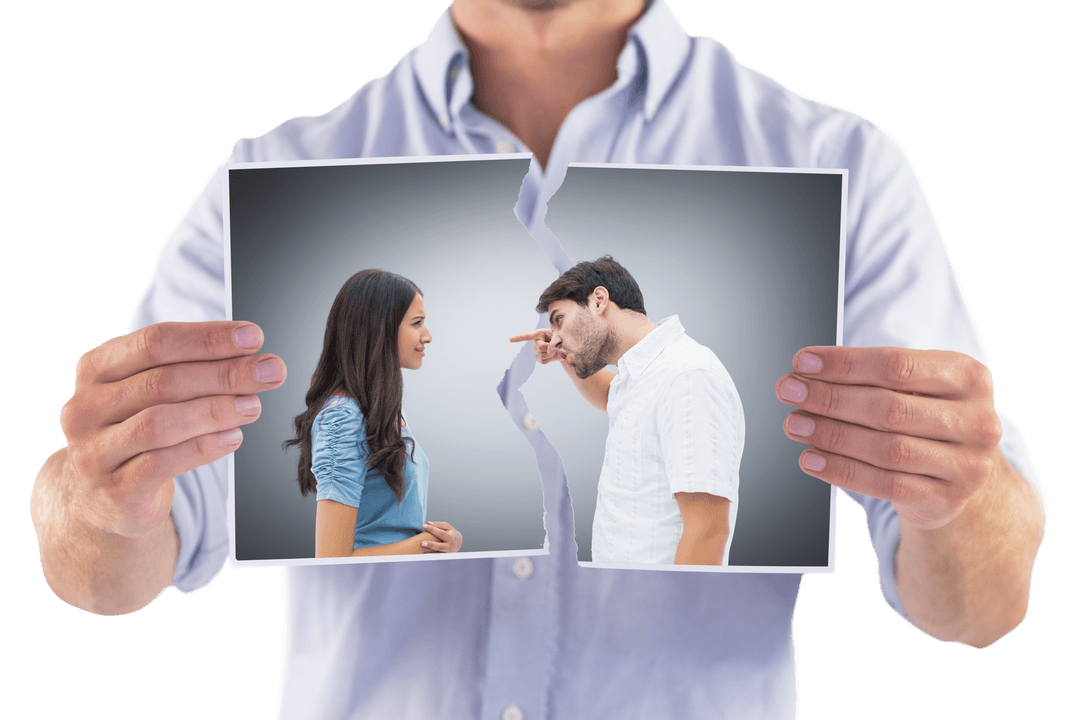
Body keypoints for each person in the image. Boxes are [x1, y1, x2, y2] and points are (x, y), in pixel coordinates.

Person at [29, 0, 1048, 717]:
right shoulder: (271, 181)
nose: (538, 342)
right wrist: (93, 499)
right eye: (424, 323)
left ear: (601, 302)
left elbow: (977, 608)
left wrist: (959, 496)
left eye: (556, 322)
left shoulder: (846, 173)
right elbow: (118, 570)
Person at [511, 255, 744, 566]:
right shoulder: (641, 376)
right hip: (620, 600)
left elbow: (709, 529)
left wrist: (674, 615)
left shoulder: (686, 376)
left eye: (559, 319)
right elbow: (612, 396)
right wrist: (563, 356)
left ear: (598, 300)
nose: (556, 337)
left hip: (657, 606)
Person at [284, 269, 462, 558]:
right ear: (380, 328)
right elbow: (331, 560)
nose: (427, 336)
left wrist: (442, 542)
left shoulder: (383, 414)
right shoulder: (341, 418)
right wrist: (424, 544)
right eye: (417, 323)